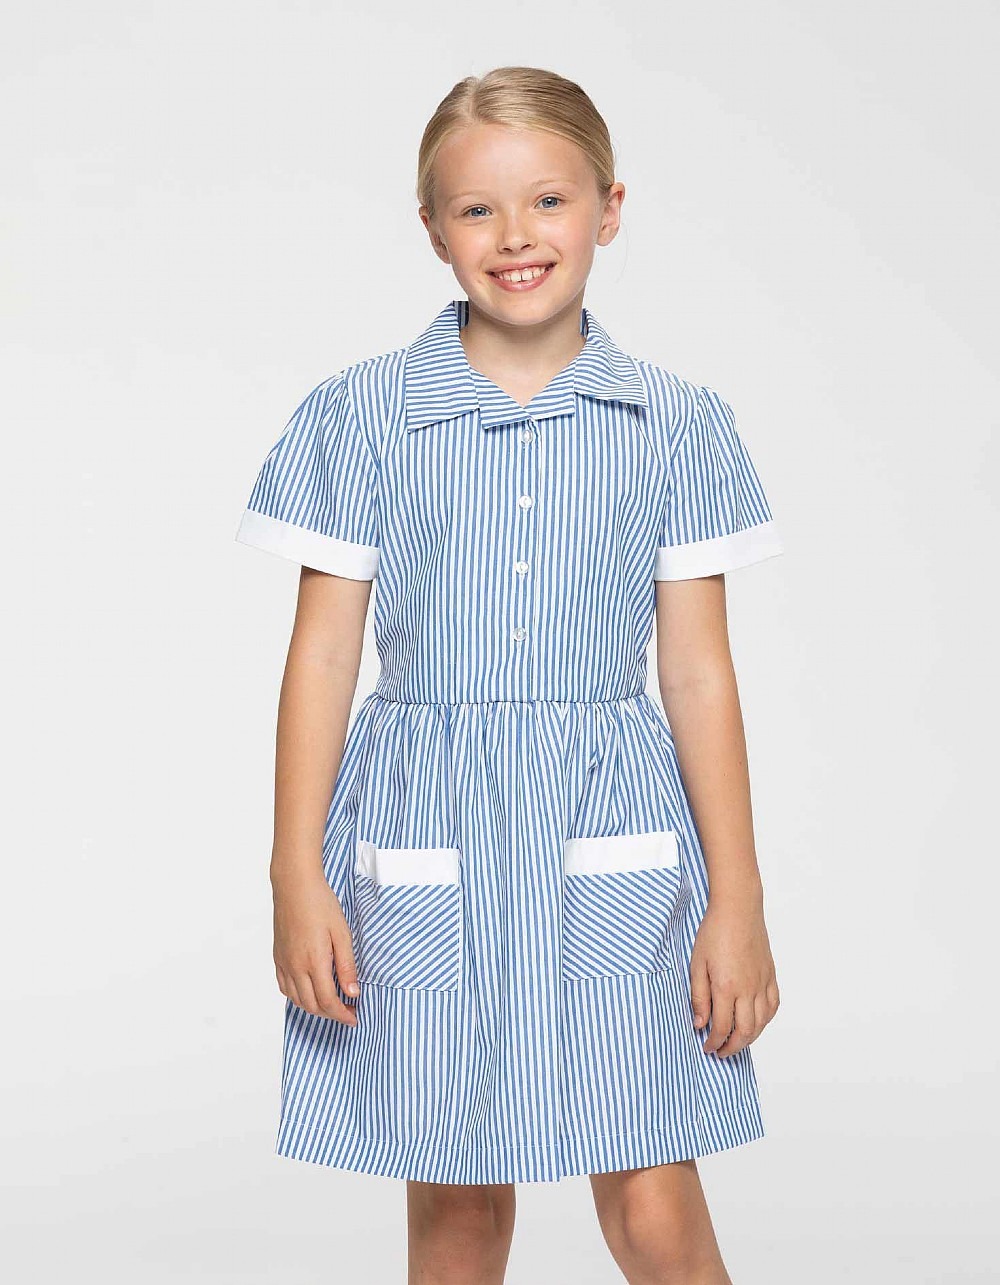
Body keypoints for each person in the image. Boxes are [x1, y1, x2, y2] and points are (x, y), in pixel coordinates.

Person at [235, 64, 784, 1285]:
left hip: (611, 824)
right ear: (433, 229)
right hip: (423, 824)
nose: (515, 235)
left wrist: (737, 900)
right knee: (458, 1200)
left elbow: (699, 675)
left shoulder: (677, 425)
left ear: (609, 208)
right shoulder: (361, 417)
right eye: (476, 209)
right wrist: (293, 873)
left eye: (548, 200)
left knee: (650, 1192)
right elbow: (322, 655)